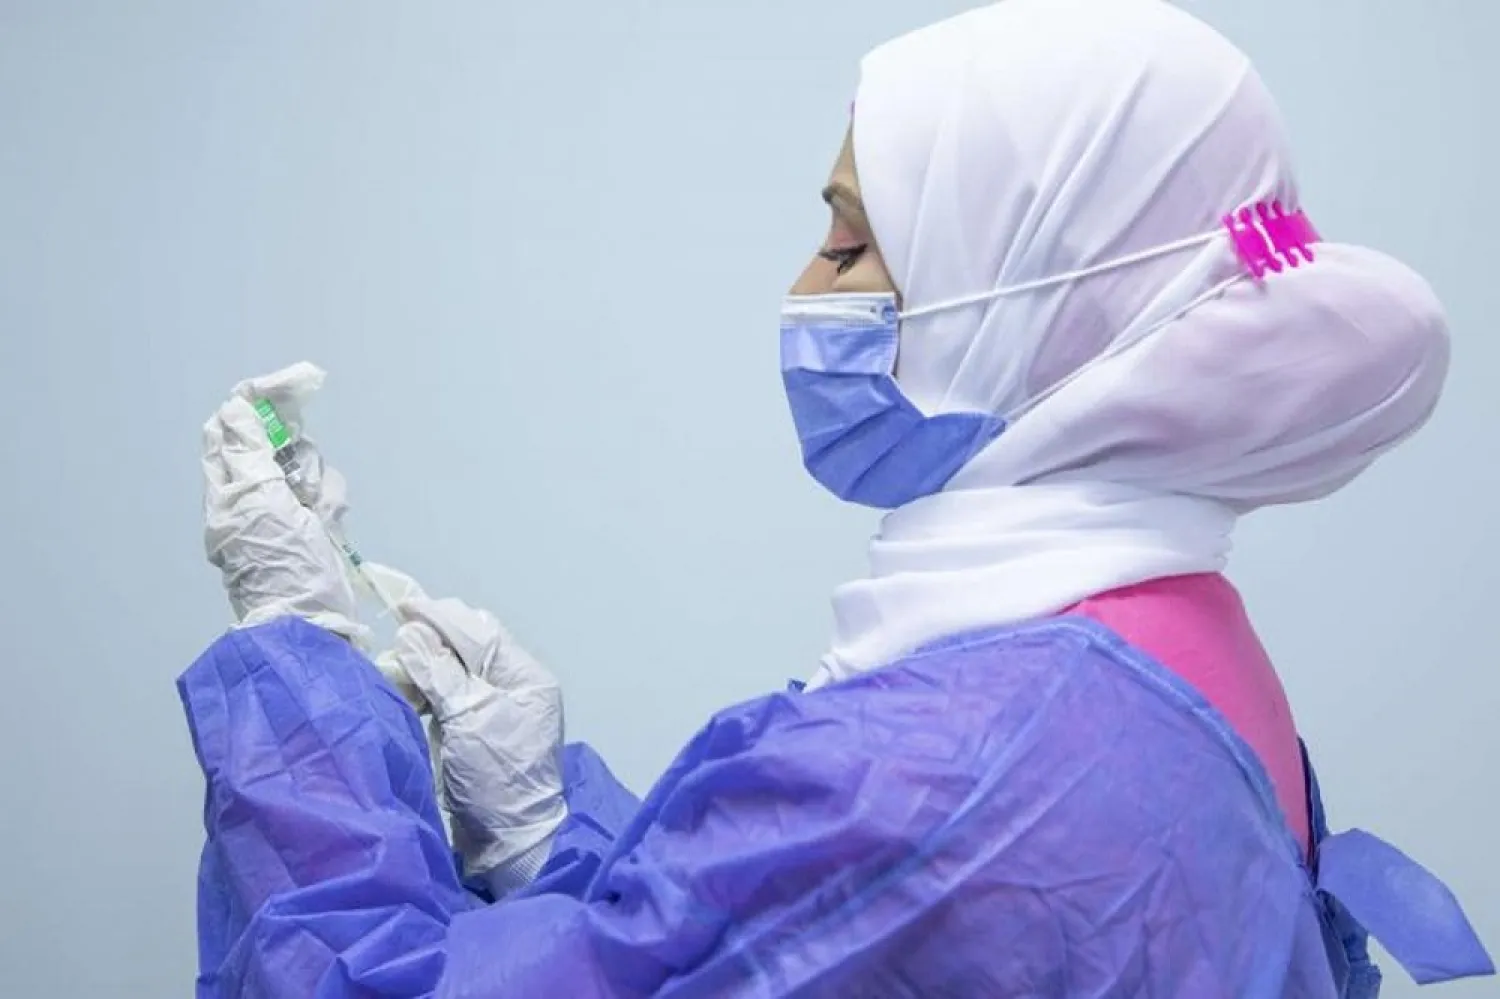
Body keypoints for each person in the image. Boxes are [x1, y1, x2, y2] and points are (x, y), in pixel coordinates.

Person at [180, 1, 1493, 995]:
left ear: (1034, 281)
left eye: (855, 238)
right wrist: (539, 830)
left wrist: (295, 674)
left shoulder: (956, 771)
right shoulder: (1168, 638)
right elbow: (765, 951)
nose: (812, 291)